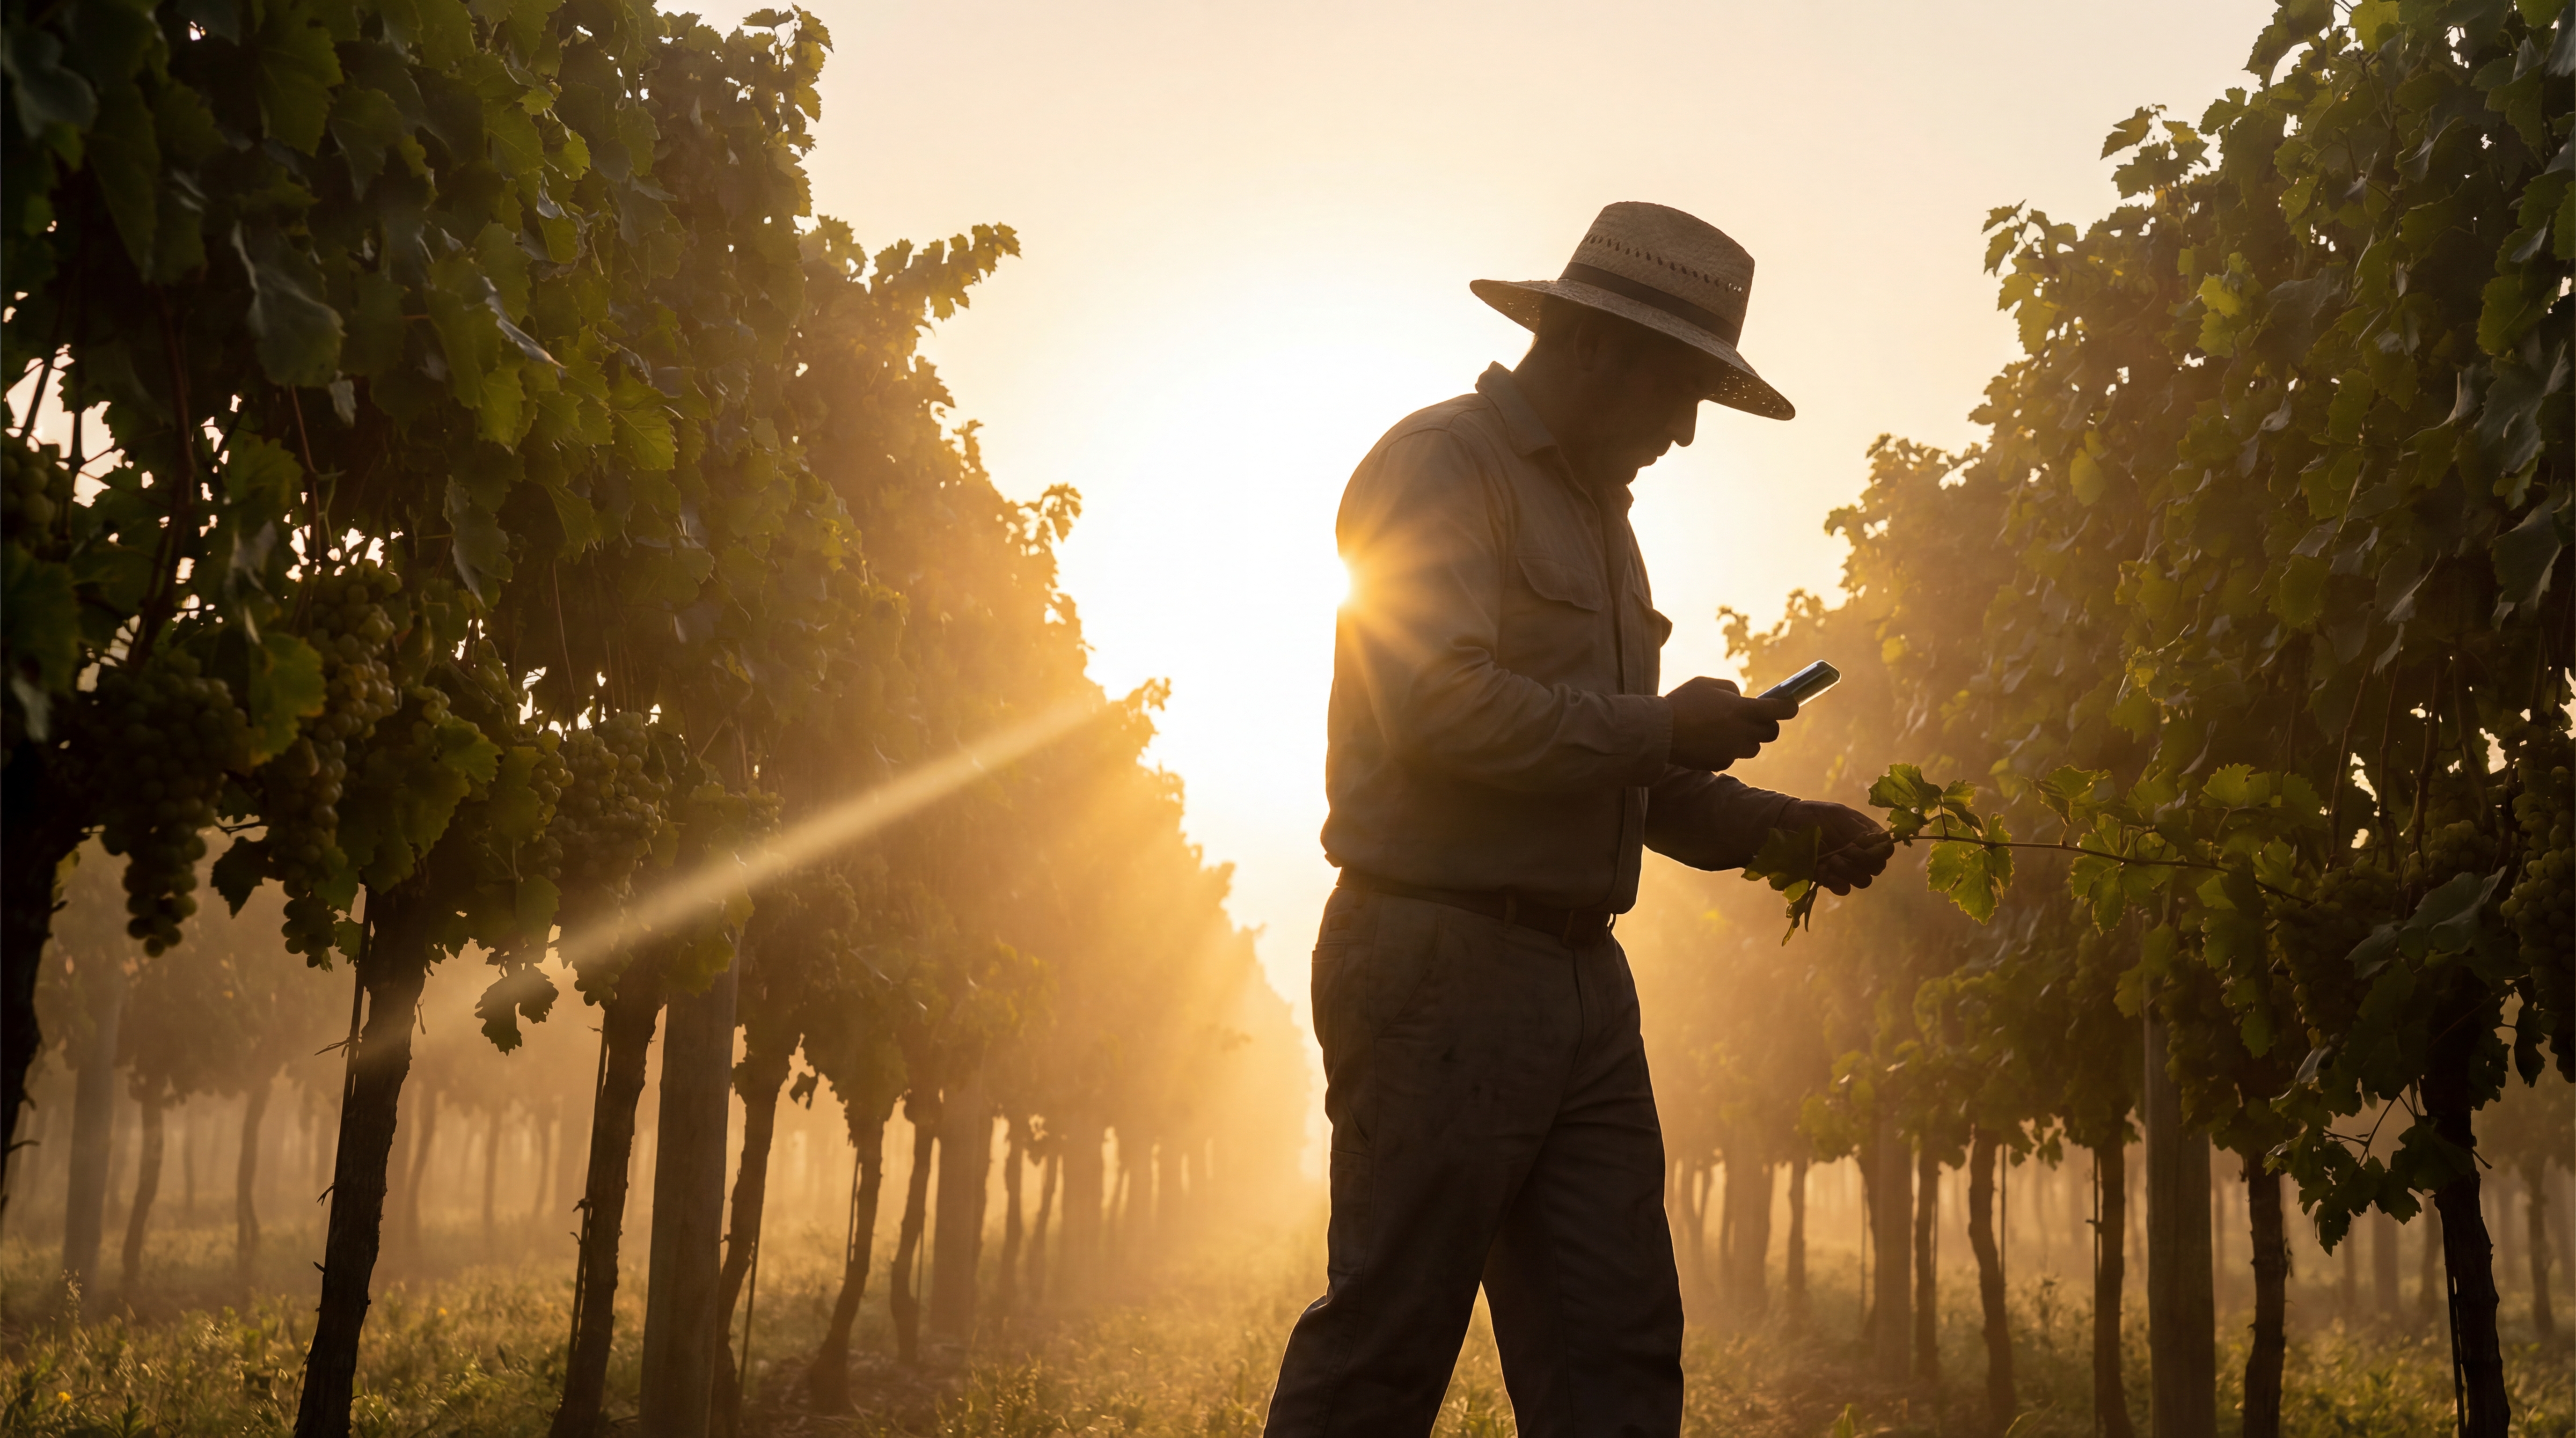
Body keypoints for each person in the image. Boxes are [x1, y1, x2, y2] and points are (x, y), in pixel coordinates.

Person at [1263, 202, 1896, 1438]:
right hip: (1439, 967)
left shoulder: (1609, 526)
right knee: (1386, 1352)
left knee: (1616, 1358)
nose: (1684, 431)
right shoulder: (1439, 469)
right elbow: (1437, 707)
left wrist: (1784, 831)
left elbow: (1614, 776)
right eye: (1681, 394)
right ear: (1599, 350)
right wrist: (1666, 726)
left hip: (1584, 989)